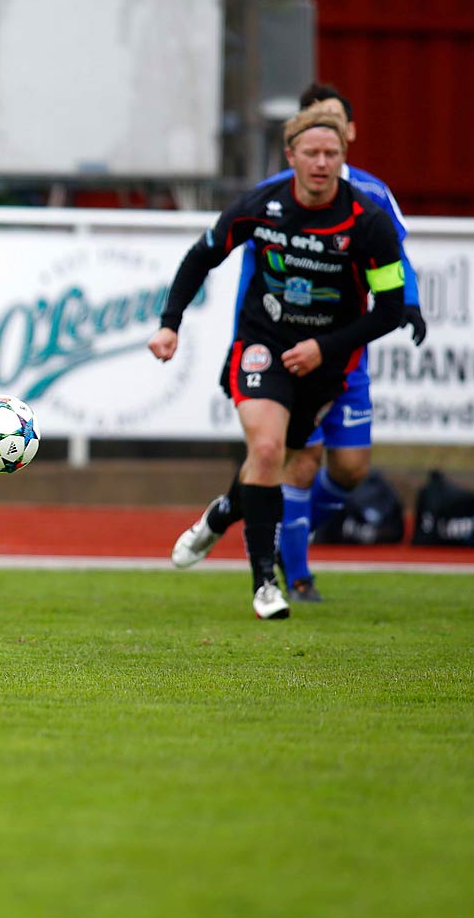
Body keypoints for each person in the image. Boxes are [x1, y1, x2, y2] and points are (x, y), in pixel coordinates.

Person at [148, 106, 408, 620]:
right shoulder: (262, 206)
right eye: (311, 153)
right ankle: (265, 584)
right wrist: (170, 322)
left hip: (323, 363)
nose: (321, 162)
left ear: (343, 158)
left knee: (279, 461)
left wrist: (325, 349)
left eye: (331, 154)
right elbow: (203, 255)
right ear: (290, 157)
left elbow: (392, 310)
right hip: (261, 344)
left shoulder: (368, 223)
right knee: (265, 449)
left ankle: (221, 513)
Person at [206, 84, 426, 604]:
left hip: (343, 354)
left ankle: (278, 528)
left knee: (350, 470)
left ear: (348, 134)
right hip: (280, 351)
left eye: (331, 126)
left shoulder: (370, 199)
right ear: (295, 141)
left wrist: (408, 304)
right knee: (292, 458)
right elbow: (246, 265)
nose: (320, 142)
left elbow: (395, 262)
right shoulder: (277, 194)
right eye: (311, 126)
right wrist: (245, 337)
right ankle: (294, 575)